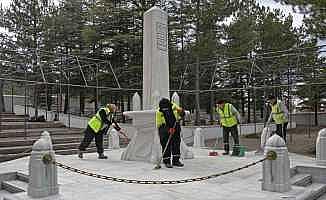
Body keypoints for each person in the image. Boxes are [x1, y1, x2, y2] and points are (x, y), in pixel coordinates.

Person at [156, 98, 185, 168]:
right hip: (164, 130)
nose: (165, 110)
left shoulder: (174, 106)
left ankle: (176, 161)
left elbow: (182, 114)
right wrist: (168, 130)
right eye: (163, 109)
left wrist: (181, 112)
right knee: (166, 145)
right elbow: (159, 124)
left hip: (175, 127)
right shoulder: (159, 111)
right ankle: (167, 161)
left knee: (176, 144)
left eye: (166, 108)